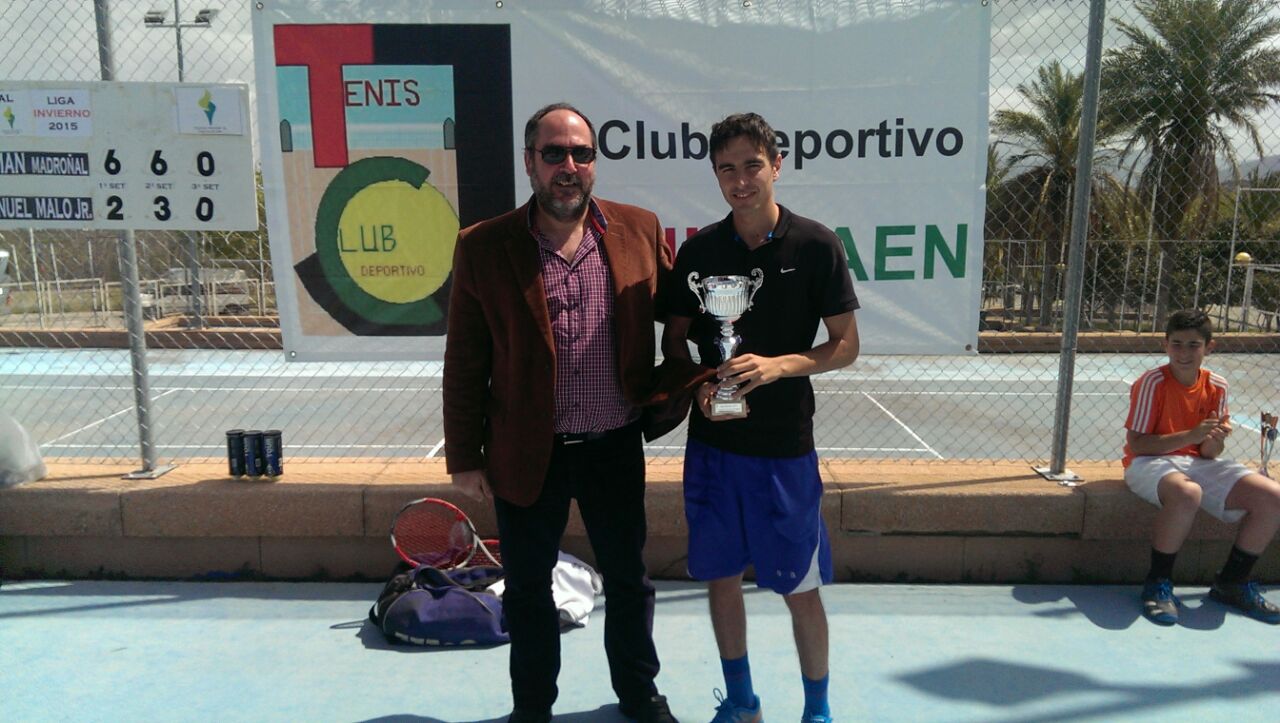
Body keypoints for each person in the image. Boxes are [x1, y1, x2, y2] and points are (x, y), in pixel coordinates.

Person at [444, 103, 694, 723]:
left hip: (614, 444)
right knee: (529, 588)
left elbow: (681, 310)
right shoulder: (484, 246)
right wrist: (465, 456)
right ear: (529, 162)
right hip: (528, 450)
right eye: (554, 153)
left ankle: (639, 693)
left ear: (594, 164)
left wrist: (697, 368)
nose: (569, 166)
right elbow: (466, 359)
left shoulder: (638, 230)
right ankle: (532, 707)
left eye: (581, 154)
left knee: (629, 580)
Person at [659, 112, 860, 723]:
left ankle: (817, 710)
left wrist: (779, 366)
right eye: (727, 169)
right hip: (714, 448)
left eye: (752, 165)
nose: (740, 180)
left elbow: (846, 346)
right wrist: (697, 383)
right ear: (716, 175)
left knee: (800, 587)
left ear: (777, 165)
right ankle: (742, 701)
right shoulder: (699, 250)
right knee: (720, 578)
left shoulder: (816, 245)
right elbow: (674, 340)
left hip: (783, 452)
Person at [1123, 308, 1280, 626]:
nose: (1184, 353)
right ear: (1165, 345)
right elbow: (1137, 444)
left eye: (1193, 345)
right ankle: (1158, 583)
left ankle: (1232, 583)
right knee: (1187, 494)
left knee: (1272, 497)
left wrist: (1213, 440)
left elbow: (1208, 453)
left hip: (1196, 461)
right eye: (1177, 344)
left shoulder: (1217, 385)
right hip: (1148, 462)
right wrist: (1191, 435)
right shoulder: (1152, 382)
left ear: (1209, 347)